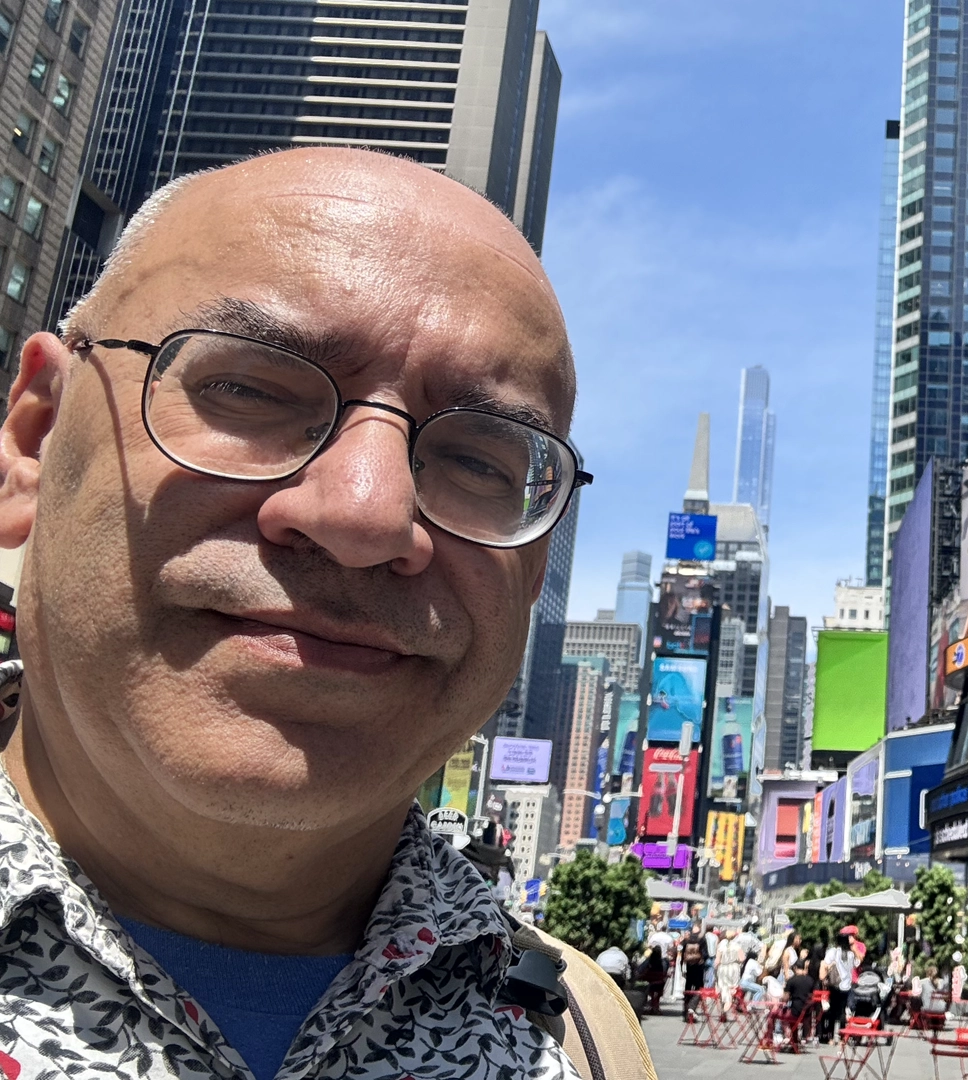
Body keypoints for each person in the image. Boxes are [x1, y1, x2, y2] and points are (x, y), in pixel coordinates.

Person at [0, 147, 652, 1079]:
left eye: (478, 460)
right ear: (34, 440)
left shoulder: (580, 1035)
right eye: (252, 390)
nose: (364, 514)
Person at [822, 932, 857, 1041]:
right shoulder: (850, 954)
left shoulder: (833, 952)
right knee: (842, 1011)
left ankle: (830, 1037)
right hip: (847, 985)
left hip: (835, 985)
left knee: (833, 1010)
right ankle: (842, 1036)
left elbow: (826, 964)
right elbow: (855, 965)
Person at [681, 929, 711, 1019]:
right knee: (698, 989)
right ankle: (692, 1007)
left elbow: (683, 955)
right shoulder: (701, 941)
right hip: (699, 967)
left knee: (688, 988)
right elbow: (706, 954)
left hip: (689, 967)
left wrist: (682, 966)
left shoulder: (686, 942)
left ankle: (686, 1009)